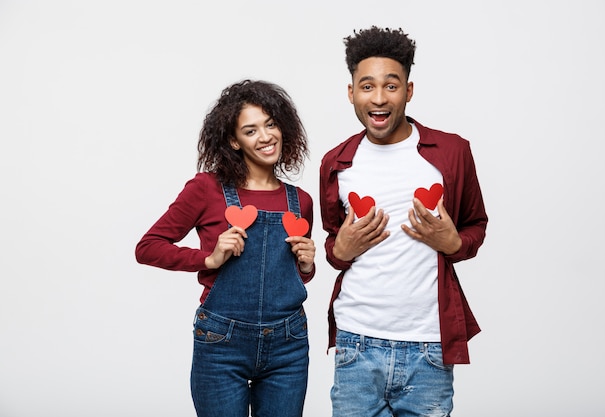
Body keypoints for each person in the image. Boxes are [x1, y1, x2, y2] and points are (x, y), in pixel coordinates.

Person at [319, 26, 488, 417]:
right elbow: (333, 243)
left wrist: (453, 244)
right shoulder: (336, 162)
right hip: (356, 342)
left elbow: (475, 224)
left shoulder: (451, 152)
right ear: (351, 93)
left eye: (391, 86)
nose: (379, 98)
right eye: (367, 86)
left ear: (408, 91)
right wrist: (338, 252)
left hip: (429, 345)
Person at [136, 79, 316, 417]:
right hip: (222, 342)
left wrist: (307, 266)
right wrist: (209, 258)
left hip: (288, 343)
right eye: (251, 131)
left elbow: (290, 277)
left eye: (271, 124)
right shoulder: (205, 189)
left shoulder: (300, 200)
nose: (265, 137)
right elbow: (147, 247)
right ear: (233, 141)